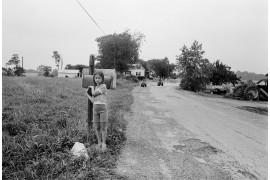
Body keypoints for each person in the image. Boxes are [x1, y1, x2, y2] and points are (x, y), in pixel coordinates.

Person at [85, 71, 108, 151]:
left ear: (102, 79)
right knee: (97, 127)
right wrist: (87, 94)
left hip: (103, 109)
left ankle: (104, 143)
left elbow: (94, 94)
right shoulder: (95, 88)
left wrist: (91, 88)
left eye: (99, 78)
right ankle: (99, 142)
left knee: (103, 127)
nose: (97, 80)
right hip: (95, 109)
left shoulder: (103, 86)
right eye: (96, 78)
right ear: (94, 79)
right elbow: (93, 100)